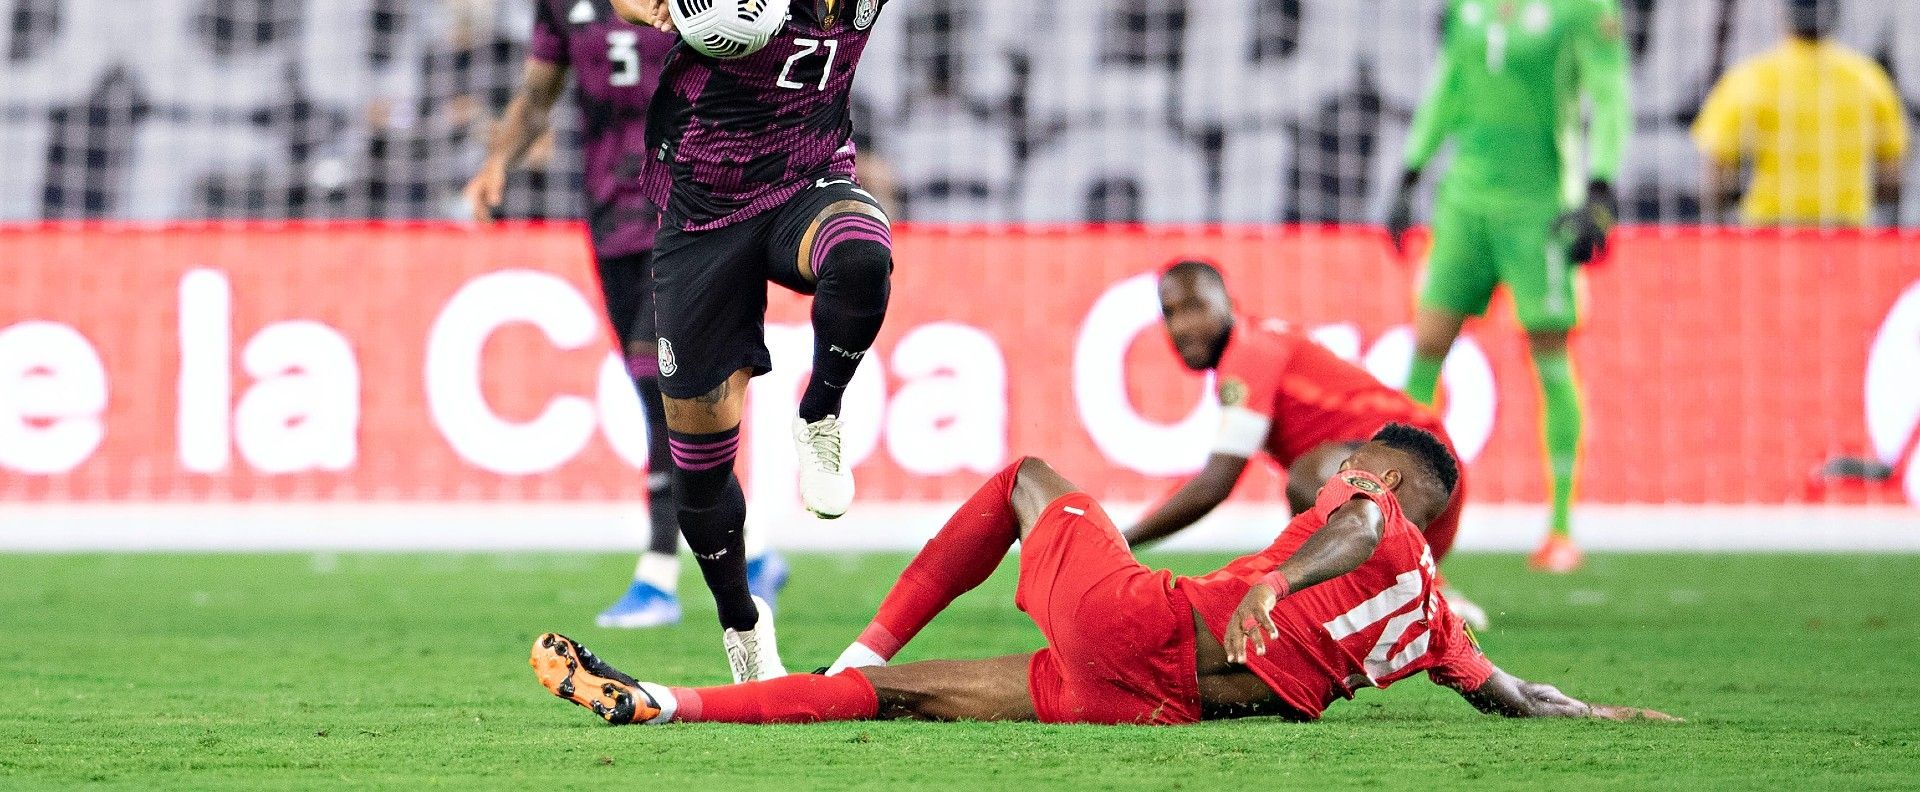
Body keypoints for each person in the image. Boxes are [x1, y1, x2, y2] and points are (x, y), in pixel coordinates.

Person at [603, 0, 1048, 678]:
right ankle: (743, 626)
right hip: (700, 218)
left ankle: (820, 413)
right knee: (702, 477)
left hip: (806, 182)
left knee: (863, 255)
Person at [531, 425, 1676, 728]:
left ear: (1378, 469)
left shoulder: (1362, 506)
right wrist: (1619, 714)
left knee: (1027, 476)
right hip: (1154, 707)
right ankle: (667, 704)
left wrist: (1283, 581)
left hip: (1144, 626)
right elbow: (1513, 697)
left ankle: (863, 642)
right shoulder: (1439, 631)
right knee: (909, 705)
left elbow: (1364, 527)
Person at [463, 0, 788, 640]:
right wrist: (500, 159)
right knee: (680, 399)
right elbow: (540, 92)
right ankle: (745, 554)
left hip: (705, 211)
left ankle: (657, 575)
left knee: (660, 388)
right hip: (611, 217)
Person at [1386, 0, 1629, 575]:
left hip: (1539, 205)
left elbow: (1609, 100)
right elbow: (1449, 89)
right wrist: (1409, 169)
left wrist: (1602, 190)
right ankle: (1392, 517)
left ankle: (1559, 527)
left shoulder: (1584, 0)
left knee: (1548, 353)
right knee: (1428, 340)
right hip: (1464, 199)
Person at [1129, 260, 1483, 627]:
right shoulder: (1260, 342)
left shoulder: (1249, 352)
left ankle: (1419, 592)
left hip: (1420, 470)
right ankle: (1408, 591)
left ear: (1229, 302)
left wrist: (1121, 541)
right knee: (1310, 510)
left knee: (1311, 480)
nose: (1182, 326)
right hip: (1419, 483)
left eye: (1195, 307)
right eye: (1170, 314)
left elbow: (1215, 484)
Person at [1691, 0, 1907, 227]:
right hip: (1845, 230)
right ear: (1834, 17)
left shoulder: (1751, 78)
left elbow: (1717, 170)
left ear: (1785, 16)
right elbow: (1892, 171)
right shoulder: (1868, 80)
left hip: (1769, 229)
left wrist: (1720, 228)